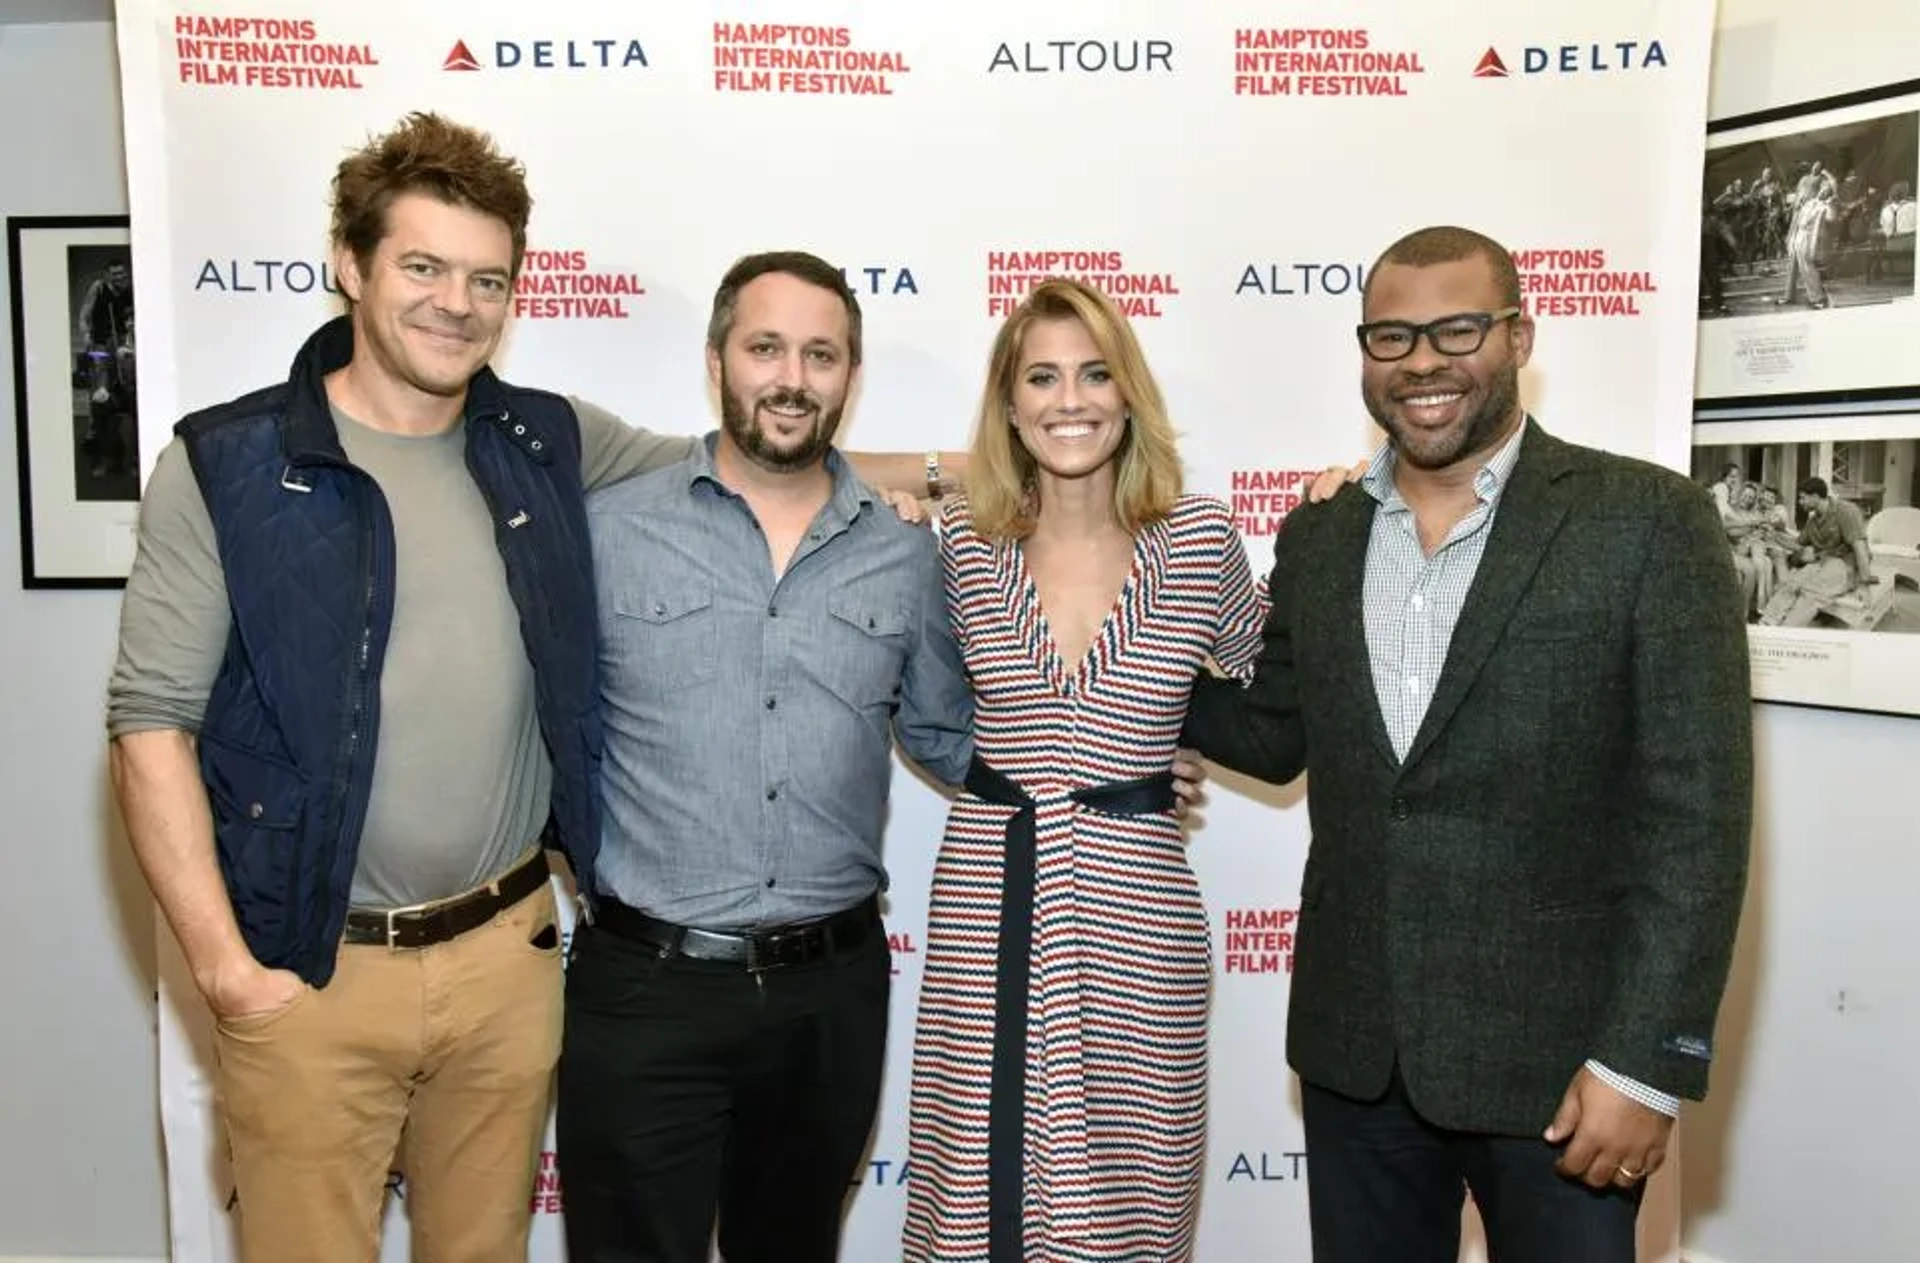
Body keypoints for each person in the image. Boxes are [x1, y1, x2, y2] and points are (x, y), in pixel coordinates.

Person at [105, 115, 961, 1263]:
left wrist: (964, 475)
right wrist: (226, 970)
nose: (456, 303)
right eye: (422, 267)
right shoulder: (230, 464)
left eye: (486, 278)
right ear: (351, 266)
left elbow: (758, 452)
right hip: (313, 965)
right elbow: (149, 725)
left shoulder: (542, 443)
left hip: (508, 962)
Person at [1178, 225, 1753, 1263]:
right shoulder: (1323, 533)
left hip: (1567, 1072)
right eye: (1391, 337)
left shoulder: (1647, 522)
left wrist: (1645, 1066)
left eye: (1457, 330)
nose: (1424, 363)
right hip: (1360, 1058)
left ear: (1520, 335)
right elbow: (1269, 735)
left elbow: (1698, 824)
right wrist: (1098, 657)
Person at [555, 249, 978, 1263]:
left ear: (850, 376)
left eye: (821, 354)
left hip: (827, 997)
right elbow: (539, 728)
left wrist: (1113, 770)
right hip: (645, 987)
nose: (792, 378)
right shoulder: (606, 534)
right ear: (717, 361)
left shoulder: (908, 551)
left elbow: (949, 735)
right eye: (766, 348)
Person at [899, 278, 1270, 1262]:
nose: (1072, 400)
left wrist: (1166, 752)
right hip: (989, 895)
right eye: (1044, 377)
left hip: (1137, 911)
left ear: (1129, 391)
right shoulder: (964, 540)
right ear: (1011, 404)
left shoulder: (1197, 540)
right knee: (970, 1183)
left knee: (1132, 1187)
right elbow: (926, 703)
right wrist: (939, 472)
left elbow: (1273, 687)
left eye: (1097, 374)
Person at [1758, 475, 1877, 626]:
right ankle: (1767, 623)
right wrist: (1775, 534)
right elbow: (1797, 544)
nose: (1800, 502)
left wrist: (1864, 585)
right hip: (1822, 561)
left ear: (1814, 496)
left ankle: (1787, 632)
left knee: (1811, 592)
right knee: (1791, 584)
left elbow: (1861, 550)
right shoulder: (1813, 520)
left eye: (1802, 498)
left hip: (1845, 563)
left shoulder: (1846, 511)